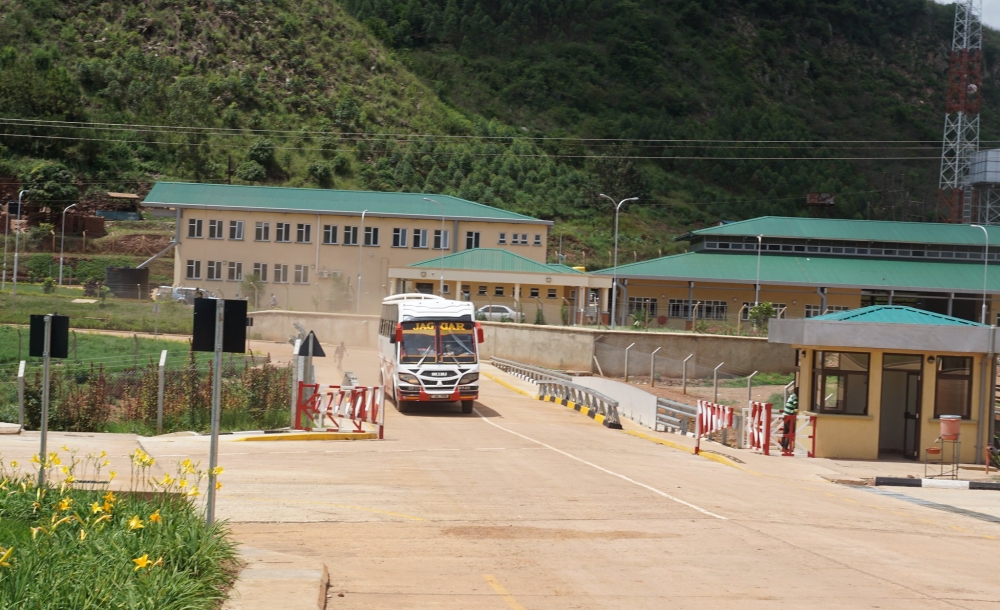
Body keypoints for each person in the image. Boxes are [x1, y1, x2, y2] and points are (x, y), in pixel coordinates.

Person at [781, 386, 799, 453]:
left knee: (785, 431)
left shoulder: (791, 396)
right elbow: (796, 405)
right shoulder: (795, 397)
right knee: (791, 431)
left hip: (785, 415)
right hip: (789, 415)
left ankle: (782, 446)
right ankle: (785, 446)